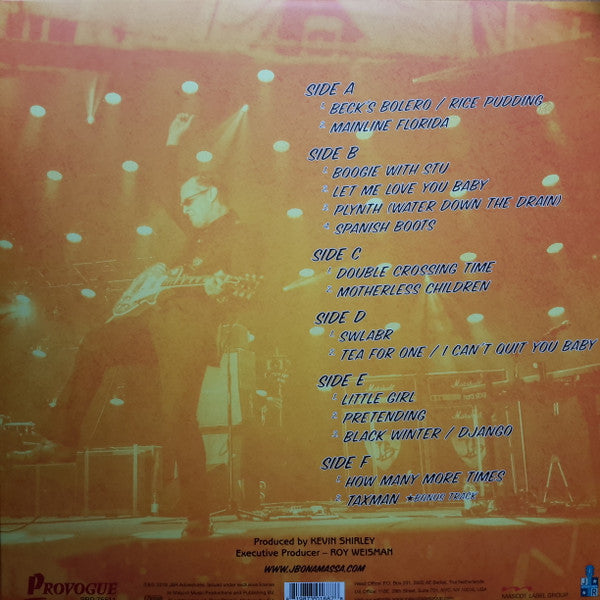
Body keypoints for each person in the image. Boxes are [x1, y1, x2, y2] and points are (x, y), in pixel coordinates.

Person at [8, 114, 262, 537]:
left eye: (189, 202)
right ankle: (64, 441)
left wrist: (221, 291)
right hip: (156, 323)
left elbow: (248, 288)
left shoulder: (240, 234)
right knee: (98, 342)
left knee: (177, 418)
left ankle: (199, 515)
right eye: (183, 204)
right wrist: (171, 139)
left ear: (212, 193)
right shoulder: (196, 229)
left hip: (188, 334)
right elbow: (163, 189)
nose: (184, 209)